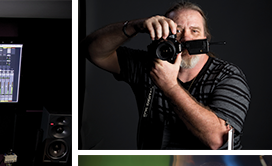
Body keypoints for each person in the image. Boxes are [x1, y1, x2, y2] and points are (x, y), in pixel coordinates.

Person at [83, 1, 250, 149]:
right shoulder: (149, 65)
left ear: (205, 39)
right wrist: (135, 26)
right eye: (176, 31)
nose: (186, 38)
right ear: (161, 37)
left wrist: (170, 86)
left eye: (194, 31)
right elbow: (93, 51)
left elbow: (218, 140)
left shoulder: (227, 76)